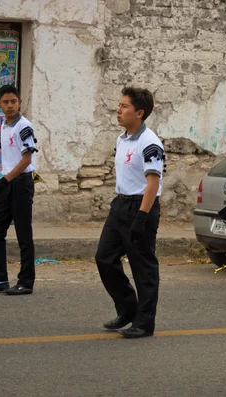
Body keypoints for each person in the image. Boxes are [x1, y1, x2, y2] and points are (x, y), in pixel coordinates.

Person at [95, 87, 164, 339]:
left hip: (141, 206)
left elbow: (153, 183)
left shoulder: (150, 142)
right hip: (120, 205)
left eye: (124, 106)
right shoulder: (122, 138)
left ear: (140, 113)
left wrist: (142, 217)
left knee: (142, 266)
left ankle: (145, 322)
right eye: (119, 104)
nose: (119, 109)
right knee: (104, 257)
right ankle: (127, 309)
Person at [0, 84, 38, 295]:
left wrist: (5, 180)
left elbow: (27, 157)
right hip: (7, 183)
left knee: (23, 234)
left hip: (20, 183)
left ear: (19, 102)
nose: (10, 105)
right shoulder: (4, 125)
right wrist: (4, 181)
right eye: (6, 102)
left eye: (13, 101)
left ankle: (26, 282)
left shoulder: (24, 126)